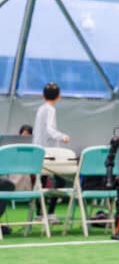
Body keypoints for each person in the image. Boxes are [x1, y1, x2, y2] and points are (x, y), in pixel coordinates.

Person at [33, 83, 70, 223]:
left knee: (40, 181)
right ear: (59, 96)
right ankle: (50, 213)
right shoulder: (50, 109)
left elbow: (38, 131)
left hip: (39, 150)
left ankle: (39, 213)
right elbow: (49, 129)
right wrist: (62, 137)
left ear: (43, 95)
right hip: (49, 152)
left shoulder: (41, 109)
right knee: (60, 179)